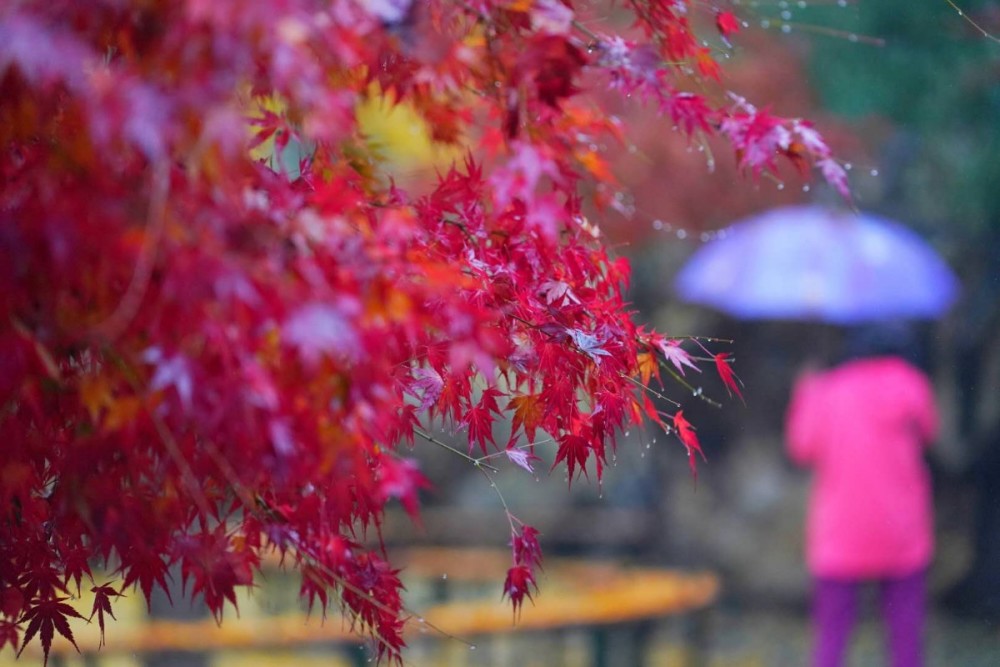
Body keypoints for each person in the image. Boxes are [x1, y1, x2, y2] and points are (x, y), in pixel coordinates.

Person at [785, 325, 938, 667]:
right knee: (906, 636)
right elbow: (930, 432)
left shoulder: (828, 389)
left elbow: (801, 448)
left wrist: (805, 391)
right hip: (902, 528)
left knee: (832, 636)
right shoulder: (911, 384)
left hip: (842, 530)